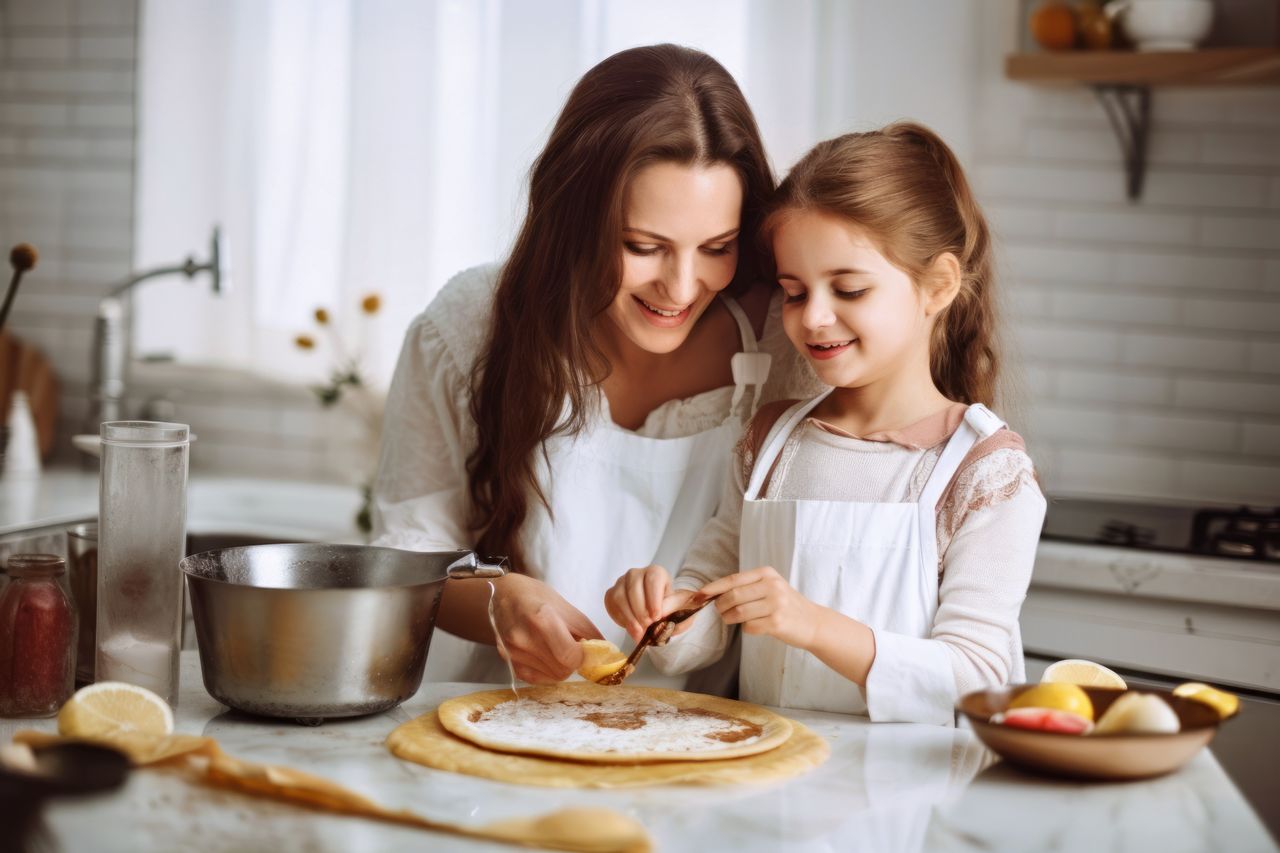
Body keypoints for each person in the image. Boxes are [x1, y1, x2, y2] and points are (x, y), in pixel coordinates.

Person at [372, 44, 822, 688]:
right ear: (573, 220)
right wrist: (505, 598)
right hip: (483, 723)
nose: (682, 285)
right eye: (643, 246)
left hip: (699, 739)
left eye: (717, 247)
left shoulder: (787, 340)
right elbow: (406, 554)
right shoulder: (469, 325)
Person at [605, 122, 1046, 723]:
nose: (813, 317)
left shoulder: (984, 472)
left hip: (910, 801)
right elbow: (701, 628)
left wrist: (812, 626)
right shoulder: (769, 443)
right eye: (793, 291)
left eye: (848, 289)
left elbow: (980, 681)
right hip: (773, 785)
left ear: (938, 286)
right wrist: (664, 611)